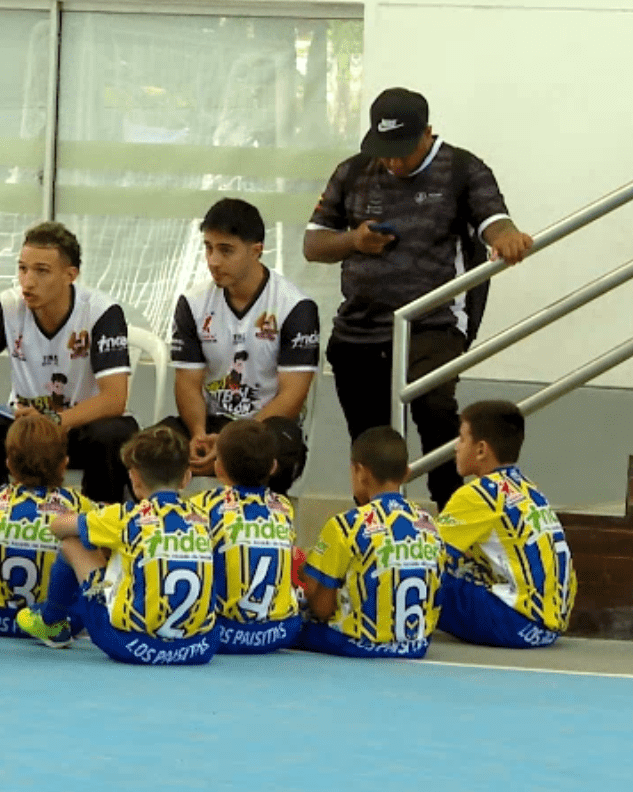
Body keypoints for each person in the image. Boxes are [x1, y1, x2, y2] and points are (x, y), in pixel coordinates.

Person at [304, 87, 535, 508]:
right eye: (385, 150)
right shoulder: (353, 172)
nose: (393, 161)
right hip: (361, 325)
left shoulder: (462, 168)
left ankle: (451, 512)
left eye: (403, 151)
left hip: (434, 320)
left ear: (428, 133)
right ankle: (377, 525)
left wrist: (508, 239)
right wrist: (354, 240)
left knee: (432, 406)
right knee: (371, 439)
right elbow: (313, 244)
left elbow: (494, 221)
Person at [0, 221, 138, 503]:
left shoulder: (102, 312)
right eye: (23, 269)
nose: (28, 281)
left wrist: (55, 420)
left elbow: (114, 399)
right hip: (28, 428)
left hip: (81, 425)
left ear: (71, 275)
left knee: (113, 437)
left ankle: (96, 528)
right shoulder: (8, 306)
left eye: (41, 271)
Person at [16, 425, 219, 666]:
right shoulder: (205, 517)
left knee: (73, 543)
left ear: (133, 478)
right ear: (187, 477)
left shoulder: (124, 516)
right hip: (200, 648)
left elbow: (58, 527)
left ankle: (52, 622)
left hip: (129, 646)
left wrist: (96, 515)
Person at [163, 198, 319, 494]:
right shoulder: (193, 303)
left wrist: (227, 444)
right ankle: (160, 532)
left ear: (256, 250)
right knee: (152, 445)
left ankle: (266, 529)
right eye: (208, 247)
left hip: (265, 425)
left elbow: (293, 396)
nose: (213, 261)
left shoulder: (295, 306)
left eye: (226, 250)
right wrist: (198, 434)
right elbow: (187, 382)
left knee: (277, 450)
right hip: (210, 424)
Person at [436, 401, 576, 648]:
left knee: (410, 569)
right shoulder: (529, 489)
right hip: (550, 626)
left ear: (480, 450)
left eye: (461, 439)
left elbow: (429, 556)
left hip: (515, 623)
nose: (456, 448)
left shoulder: (476, 494)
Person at [297, 427, 444, 658]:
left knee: (292, 621)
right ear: (406, 473)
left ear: (359, 471)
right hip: (417, 646)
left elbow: (323, 610)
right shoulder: (429, 524)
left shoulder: (346, 525)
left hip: (360, 644)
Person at [0, 415, 95, 638]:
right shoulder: (78, 503)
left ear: (8, 464)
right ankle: (53, 613)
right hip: (67, 622)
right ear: (64, 463)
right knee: (91, 538)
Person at [190, 420, 301, 653]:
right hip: (280, 633)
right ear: (273, 467)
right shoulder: (284, 507)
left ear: (218, 468)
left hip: (222, 633)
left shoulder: (203, 505)